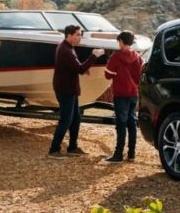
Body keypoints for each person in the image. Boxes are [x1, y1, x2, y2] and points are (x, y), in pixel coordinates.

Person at [47, 25, 105, 159]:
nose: (80, 37)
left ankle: (72, 147)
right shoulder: (65, 50)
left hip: (70, 88)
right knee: (66, 119)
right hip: (65, 89)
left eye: (80, 34)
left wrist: (84, 68)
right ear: (69, 35)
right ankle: (53, 150)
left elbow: (75, 66)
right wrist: (93, 56)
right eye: (78, 34)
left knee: (76, 118)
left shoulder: (68, 47)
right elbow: (78, 68)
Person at [103, 30, 143, 163]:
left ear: (121, 41)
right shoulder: (138, 56)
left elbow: (108, 74)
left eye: (118, 41)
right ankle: (131, 154)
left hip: (121, 94)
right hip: (133, 94)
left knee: (121, 124)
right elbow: (141, 75)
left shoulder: (116, 56)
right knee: (131, 123)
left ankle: (118, 155)